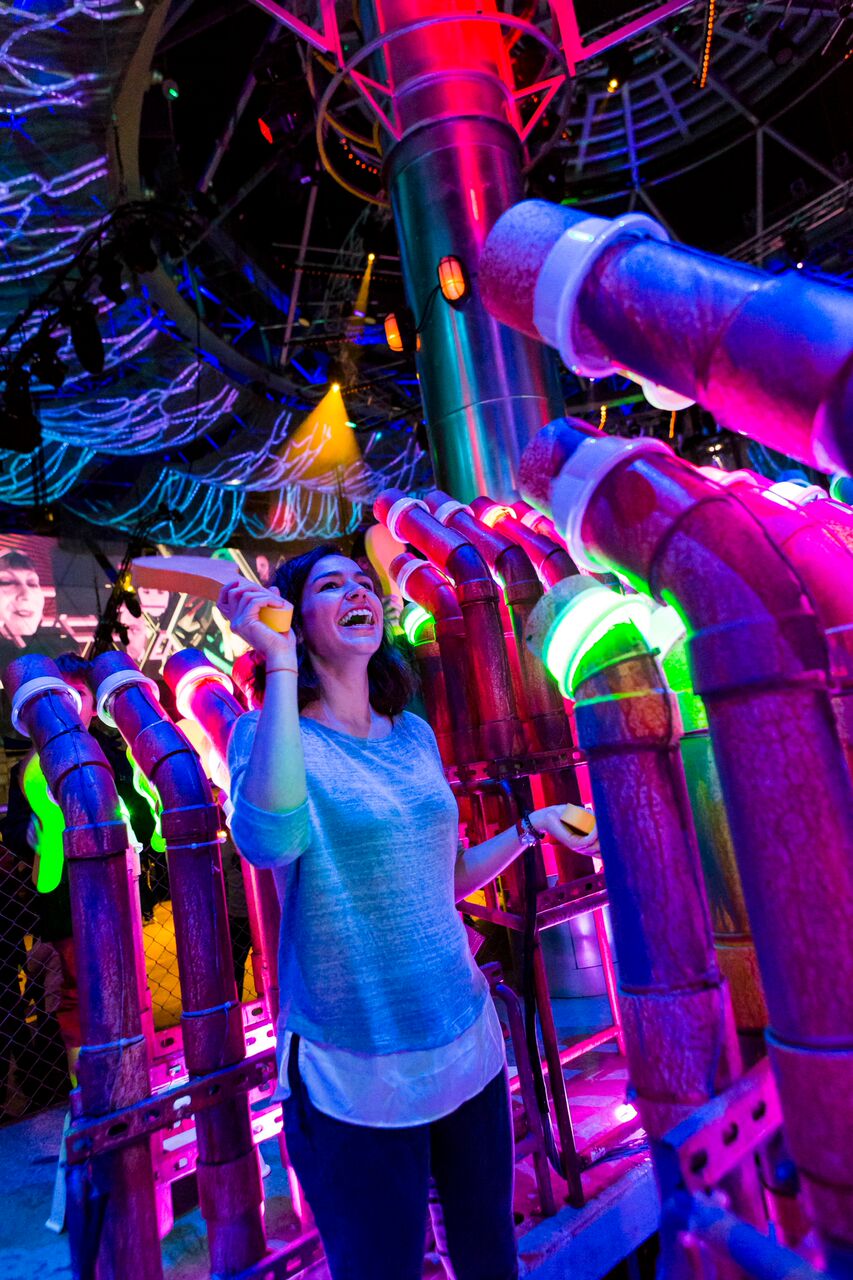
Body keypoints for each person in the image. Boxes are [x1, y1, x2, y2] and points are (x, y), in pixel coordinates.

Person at [219, 544, 592, 1280]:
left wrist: (530, 828)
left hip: (464, 1044)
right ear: (294, 619)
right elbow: (268, 843)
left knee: (490, 1260)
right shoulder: (265, 736)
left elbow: (439, 880)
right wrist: (279, 666)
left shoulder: (414, 735)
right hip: (352, 1070)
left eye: (365, 582)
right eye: (331, 585)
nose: (359, 591)